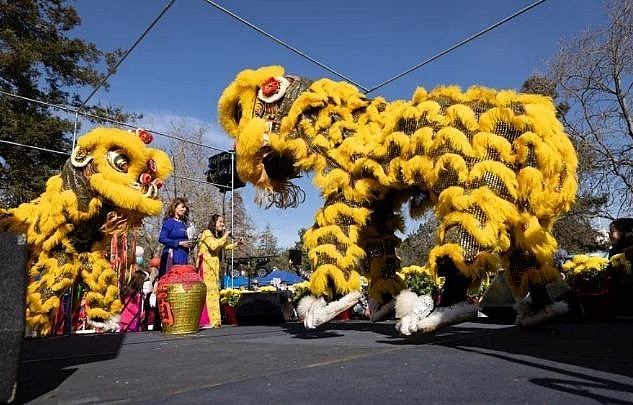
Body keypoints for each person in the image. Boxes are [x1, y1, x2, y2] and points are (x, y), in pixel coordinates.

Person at [196, 214, 240, 328]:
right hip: (205, 267)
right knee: (209, 294)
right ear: (214, 223)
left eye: (223, 222)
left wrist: (236, 244)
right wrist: (225, 235)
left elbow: (225, 246)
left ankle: (215, 320)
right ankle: (207, 320)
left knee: (214, 294)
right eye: (220, 222)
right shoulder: (207, 233)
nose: (223, 224)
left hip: (214, 268)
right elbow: (214, 246)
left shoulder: (216, 236)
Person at [158, 198, 193, 277]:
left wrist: (191, 243)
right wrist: (179, 243)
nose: (184, 210)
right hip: (172, 256)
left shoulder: (184, 224)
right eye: (182, 207)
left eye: (186, 208)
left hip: (183, 256)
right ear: (175, 208)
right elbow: (162, 238)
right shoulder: (169, 222)